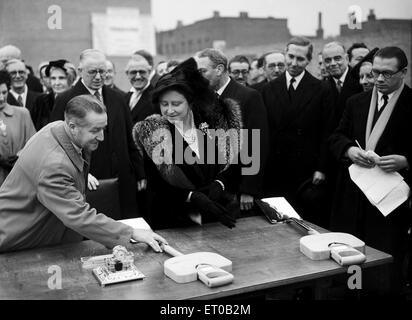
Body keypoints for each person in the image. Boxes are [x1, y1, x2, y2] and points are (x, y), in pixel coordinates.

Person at [0, 94, 167, 252]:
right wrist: (132, 233)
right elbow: (77, 214)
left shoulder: (58, 128)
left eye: (103, 129)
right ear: (72, 126)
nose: (101, 137)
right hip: (19, 241)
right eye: (95, 130)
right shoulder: (55, 165)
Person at [329, 46, 412, 296]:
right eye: (375, 72)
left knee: (385, 267)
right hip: (354, 199)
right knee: (352, 262)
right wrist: (349, 151)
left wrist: (406, 161)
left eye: (386, 74)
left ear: (404, 72)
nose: (378, 79)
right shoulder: (357, 101)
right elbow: (336, 137)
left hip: (390, 204)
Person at [133, 58, 241, 230]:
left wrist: (220, 183)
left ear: (190, 103)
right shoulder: (155, 134)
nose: (169, 110)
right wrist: (191, 196)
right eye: (164, 104)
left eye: (176, 104)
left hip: (216, 217)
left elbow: (235, 161)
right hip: (176, 221)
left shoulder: (210, 124)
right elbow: (157, 185)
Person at [50, 49, 143, 219]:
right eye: (93, 72)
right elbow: (57, 143)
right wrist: (82, 171)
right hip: (90, 182)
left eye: (103, 71)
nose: (99, 76)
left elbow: (129, 139)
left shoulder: (118, 98)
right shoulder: (65, 100)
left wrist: (140, 173)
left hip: (123, 179)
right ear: (80, 71)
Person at [261, 37, 332, 226]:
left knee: (304, 223)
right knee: (278, 224)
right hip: (275, 169)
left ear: (308, 60)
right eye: (290, 56)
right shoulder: (268, 89)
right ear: (285, 54)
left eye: (300, 59)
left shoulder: (321, 89)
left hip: (306, 171)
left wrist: (321, 168)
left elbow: (327, 132)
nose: (293, 63)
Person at [197, 48, 269, 214]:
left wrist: (249, 189)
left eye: (202, 71)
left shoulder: (249, 97)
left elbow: (256, 144)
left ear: (220, 69)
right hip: (211, 187)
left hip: (237, 189)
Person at [0, 70, 36, 186]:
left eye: (4, 92)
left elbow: (34, 144)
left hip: (20, 178)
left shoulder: (22, 114)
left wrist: (19, 156)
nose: (1, 98)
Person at [322, 41, 363, 130]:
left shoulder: (361, 81)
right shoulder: (321, 87)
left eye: (337, 58)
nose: (332, 63)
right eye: (328, 60)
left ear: (347, 59)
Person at [31, 59, 77, 130]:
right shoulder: (40, 101)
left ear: (71, 80)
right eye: (53, 78)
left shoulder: (78, 100)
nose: (57, 83)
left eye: (61, 78)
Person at [124, 56, 155, 124]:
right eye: (133, 72)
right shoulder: (125, 97)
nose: (138, 76)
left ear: (149, 72)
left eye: (142, 72)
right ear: (127, 74)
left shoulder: (157, 97)